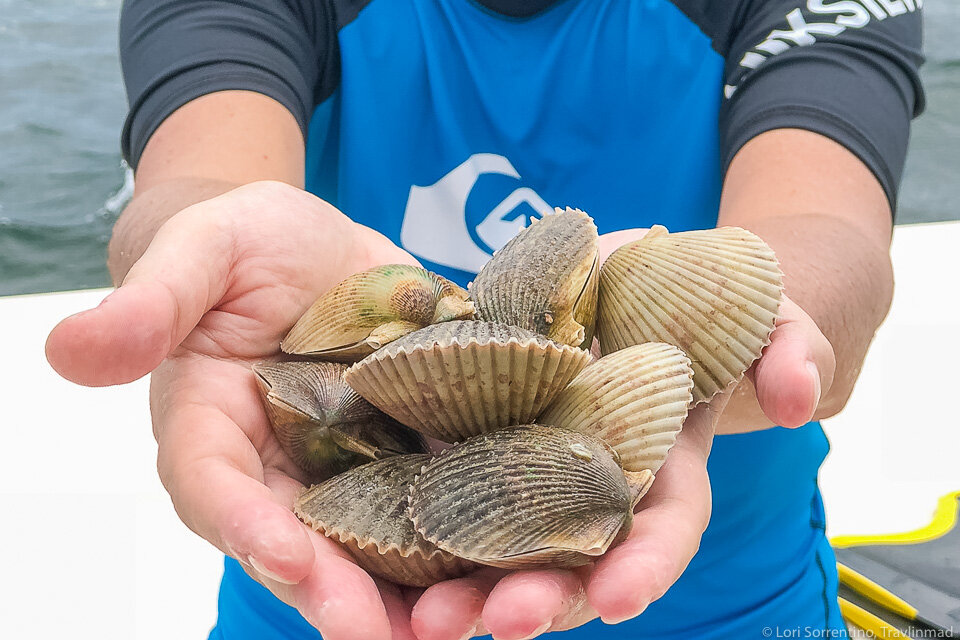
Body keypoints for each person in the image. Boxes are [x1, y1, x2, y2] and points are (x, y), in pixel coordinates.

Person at [45, 1, 923, 638]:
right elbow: (202, 183)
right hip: (319, 581)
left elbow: (830, 236)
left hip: (728, 599)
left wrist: (759, 320)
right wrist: (195, 255)